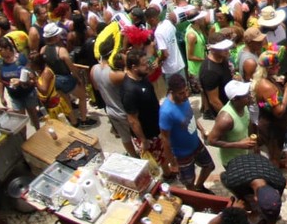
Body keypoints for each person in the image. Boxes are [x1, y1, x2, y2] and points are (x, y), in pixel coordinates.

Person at [160, 73, 216, 190]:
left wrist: (201, 129)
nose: (185, 95)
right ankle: (194, 195)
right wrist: (173, 163)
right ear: (172, 92)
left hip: (196, 143)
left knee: (209, 166)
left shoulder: (184, 100)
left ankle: (199, 187)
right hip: (182, 154)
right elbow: (165, 139)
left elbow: (190, 116)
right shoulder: (166, 112)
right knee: (189, 181)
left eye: (186, 90)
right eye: (181, 93)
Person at [122, 48, 173, 178]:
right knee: (153, 162)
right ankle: (160, 179)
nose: (147, 66)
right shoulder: (129, 91)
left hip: (157, 127)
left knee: (163, 155)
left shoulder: (141, 76)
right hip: (148, 134)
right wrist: (143, 140)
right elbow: (133, 119)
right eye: (144, 64)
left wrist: (157, 62)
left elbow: (149, 72)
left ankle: (168, 173)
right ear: (134, 67)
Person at [41, 21, 96, 127]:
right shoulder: (61, 51)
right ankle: (84, 119)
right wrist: (79, 79)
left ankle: (74, 121)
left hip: (54, 80)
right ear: (55, 36)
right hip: (65, 78)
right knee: (83, 97)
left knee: (66, 101)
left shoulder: (43, 50)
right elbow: (71, 68)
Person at [220, 152, 287, 224]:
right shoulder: (233, 181)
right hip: (238, 163)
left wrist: (272, 221)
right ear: (255, 198)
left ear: (277, 192)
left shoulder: (280, 182)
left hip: (260, 162)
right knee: (245, 205)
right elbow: (222, 175)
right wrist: (241, 201)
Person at [90, 48, 135, 155]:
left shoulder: (94, 69)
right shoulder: (116, 74)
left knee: (125, 137)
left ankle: (134, 156)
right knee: (139, 136)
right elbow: (134, 77)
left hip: (111, 109)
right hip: (125, 112)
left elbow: (96, 87)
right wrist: (126, 60)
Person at [207, 79, 256, 166]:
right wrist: (239, 144)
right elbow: (211, 140)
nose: (250, 96)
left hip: (244, 155)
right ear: (235, 99)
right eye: (246, 95)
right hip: (232, 162)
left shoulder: (243, 106)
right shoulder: (225, 119)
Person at [0, 35, 39, 129]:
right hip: (15, 97)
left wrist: (20, 81)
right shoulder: (0, 63)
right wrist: (1, 97)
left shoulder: (21, 59)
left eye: (0, 50)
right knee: (21, 120)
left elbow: (32, 77)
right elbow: (0, 81)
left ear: (7, 48)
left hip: (28, 93)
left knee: (34, 115)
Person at [199, 36, 235, 120]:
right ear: (212, 50)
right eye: (222, 48)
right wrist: (230, 118)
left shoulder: (222, 58)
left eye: (226, 47)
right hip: (225, 112)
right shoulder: (209, 72)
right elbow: (214, 101)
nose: (226, 50)